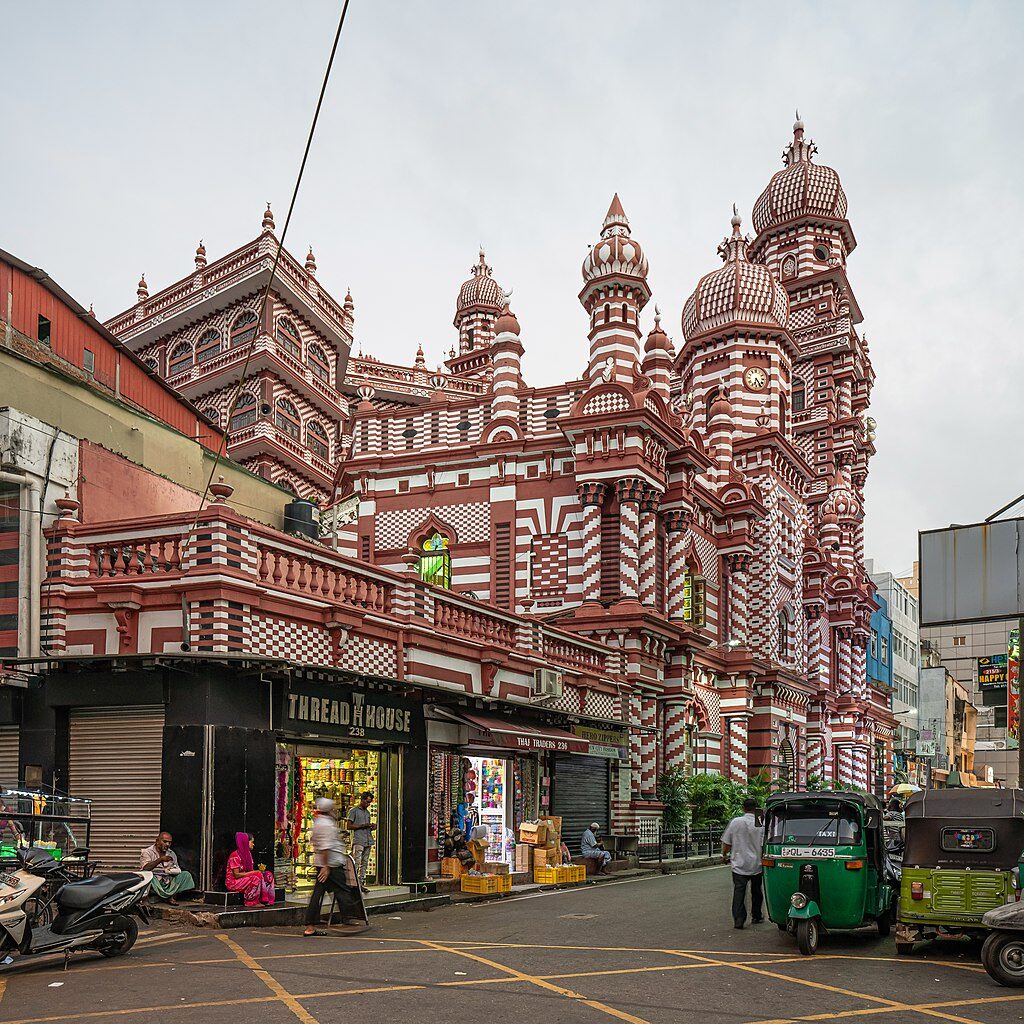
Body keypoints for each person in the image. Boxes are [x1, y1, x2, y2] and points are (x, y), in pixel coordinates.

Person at [303, 797, 364, 937]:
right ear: (329, 810)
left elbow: (315, 841)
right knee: (342, 890)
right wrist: (326, 866)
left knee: (318, 893)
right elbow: (325, 847)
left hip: (324, 862)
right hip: (331, 864)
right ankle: (348, 920)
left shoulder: (318, 823)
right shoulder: (326, 825)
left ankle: (310, 925)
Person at [722, 798, 765, 929]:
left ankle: (739, 920)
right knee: (757, 891)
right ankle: (756, 915)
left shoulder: (736, 822)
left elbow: (727, 843)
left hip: (739, 864)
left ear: (743, 808)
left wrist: (724, 855)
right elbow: (765, 844)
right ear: (756, 808)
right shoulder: (760, 824)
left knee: (739, 892)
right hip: (757, 864)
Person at [140, 831, 197, 904]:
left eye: (169, 843)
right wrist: (160, 860)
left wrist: (172, 871)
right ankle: (148, 898)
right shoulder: (147, 852)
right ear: (157, 841)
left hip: (167, 880)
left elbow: (176, 868)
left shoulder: (171, 853)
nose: (167, 844)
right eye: (165, 841)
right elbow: (145, 868)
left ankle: (169, 896)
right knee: (148, 878)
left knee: (186, 875)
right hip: (155, 881)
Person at [225, 832, 276, 907]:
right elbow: (236, 875)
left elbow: (250, 872)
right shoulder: (235, 856)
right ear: (245, 842)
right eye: (252, 842)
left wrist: (259, 872)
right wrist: (254, 873)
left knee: (268, 875)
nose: (253, 844)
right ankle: (251, 901)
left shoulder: (248, 855)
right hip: (233, 883)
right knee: (255, 878)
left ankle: (266, 899)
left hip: (245, 879)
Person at [346, 791, 376, 894]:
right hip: (358, 840)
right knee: (356, 862)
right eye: (367, 802)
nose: (368, 804)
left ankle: (360, 883)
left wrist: (371, 827)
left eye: (369, 803)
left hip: (367, 840)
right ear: (362, 800)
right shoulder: (353, 811)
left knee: (365, 862)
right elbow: (349, 826)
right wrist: (362, 826)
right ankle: (353, 884)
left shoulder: (367, 813)